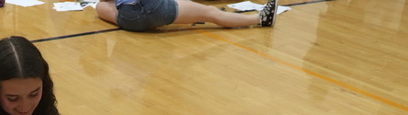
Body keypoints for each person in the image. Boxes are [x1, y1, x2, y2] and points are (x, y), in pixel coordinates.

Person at [96, 0, 280, 32]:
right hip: (156, 8)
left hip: (130, 18)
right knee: (211, 12)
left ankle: (191, 15)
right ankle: (260, 19)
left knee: (100, 6)